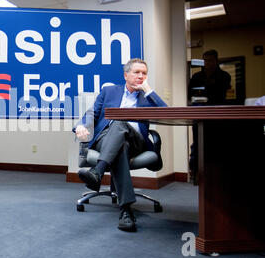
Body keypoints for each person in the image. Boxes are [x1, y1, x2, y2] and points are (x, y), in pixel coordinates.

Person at [73, 58, 167, 232]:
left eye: (144, 73)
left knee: (119, 122)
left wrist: (148, 90)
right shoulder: (109, 91)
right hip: (106, 139)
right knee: (119, 143)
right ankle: (126, 210)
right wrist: (80, 126)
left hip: (136, 141)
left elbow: (166, 113)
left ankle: (98, 172)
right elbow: (92, 113)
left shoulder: (146, 96)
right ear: (126, 75)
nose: (141, 76)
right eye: (136, 72)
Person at [188, 50, 231, 182]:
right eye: (205, 60)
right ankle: (195, 173)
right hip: (199, 113)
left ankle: (217, 175)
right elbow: (190, 95)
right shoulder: (196, 77)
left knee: (217, 143)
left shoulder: (224, 76)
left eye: (210, 60)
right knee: (197, 143)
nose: (207, 63)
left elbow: (220, 93)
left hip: (217, 114)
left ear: (216, 61)